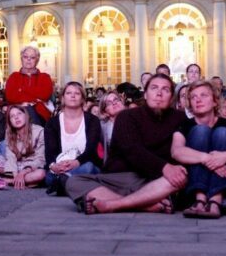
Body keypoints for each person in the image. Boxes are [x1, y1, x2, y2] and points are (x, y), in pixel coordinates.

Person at [66, 73, 187, 214]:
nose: (159, 93)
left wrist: (168, 170)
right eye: (154, 88)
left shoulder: (180, 118)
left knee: (180, 177)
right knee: (73, 182)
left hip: (155, 181)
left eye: (165, 90)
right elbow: (132, 150)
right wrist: (164, 167)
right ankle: (145, 205)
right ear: (146, 94)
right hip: (120, 178)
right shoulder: (127, 116)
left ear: (171, 97)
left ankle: (114, 204)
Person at [172, 80, 226, 218]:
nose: (198, 100)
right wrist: (208, 159)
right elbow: (176, 151)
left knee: (222, 133)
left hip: (225, 189)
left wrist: (225, 156)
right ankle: (199, 200)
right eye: (193, 97)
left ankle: (215, 200)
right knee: (201, 131)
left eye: (203, 95)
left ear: (214, 101)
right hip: (192, 186)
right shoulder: (185, 124)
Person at [44, 81, 102, 196]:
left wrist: (77, 162)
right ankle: (69, 183)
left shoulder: (92, 121)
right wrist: (54, 166)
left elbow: (91, 150)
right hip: (60, 168)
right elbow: (50, 152)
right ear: (63, 98)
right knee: (48, 176)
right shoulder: (52, 123)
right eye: (69, 93)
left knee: (88, 168)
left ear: (82, 99)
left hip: (83, 164)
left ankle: (63, 183)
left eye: (77, 93)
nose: (73, 95)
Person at [4, 45, 54, 124]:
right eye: (25, 57)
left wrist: (22, 90)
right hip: (17, 111)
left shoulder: (45, 77)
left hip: (38, 114)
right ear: (21, 59)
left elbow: (45, 95)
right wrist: (35, 99)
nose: (28, 59)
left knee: (30, 111)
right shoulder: (14, 76)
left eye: (32, 57)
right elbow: (10, 97)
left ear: (37, 60)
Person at [3, 105, 46, 189]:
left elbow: (40, 158)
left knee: (41, 174)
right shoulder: (8, 132)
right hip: (16, 165)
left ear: (25, 115)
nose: (16, 118)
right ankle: (20, 181)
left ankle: (8, 180)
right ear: (10, 121)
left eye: (19, 114)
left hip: (32, 166)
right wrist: (15, 174)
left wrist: (23, 172)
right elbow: (10, 156)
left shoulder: (39, 131)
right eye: (12, 116)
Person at [97, 90, 126, 162]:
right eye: (109, 103)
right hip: (114, 165)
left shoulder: (135, 119)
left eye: (116, 99)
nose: (114, 103)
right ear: (105, 112)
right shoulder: (101, 127)